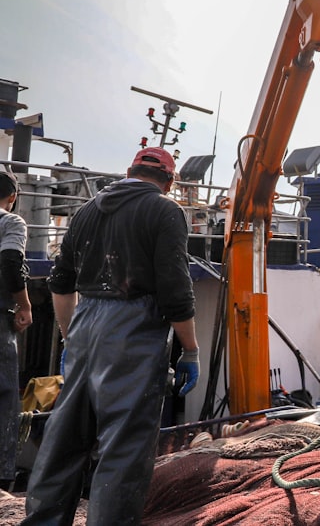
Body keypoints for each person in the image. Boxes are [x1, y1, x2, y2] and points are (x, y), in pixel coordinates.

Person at [23, 147, 200, 525]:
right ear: (169, 182)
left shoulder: (87, 209)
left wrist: (71, 339)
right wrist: (190, 351)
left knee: (64, 438)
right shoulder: (166, 211)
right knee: (124, 446)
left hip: (85, 323)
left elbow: (60, 282)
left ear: (128, 172)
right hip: (134, 330)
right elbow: (175, 290)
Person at [0, 170, 31, 491]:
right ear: (12, 198)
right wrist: (25, 305)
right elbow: (10, 263)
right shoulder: (10, 222)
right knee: (6, 396)